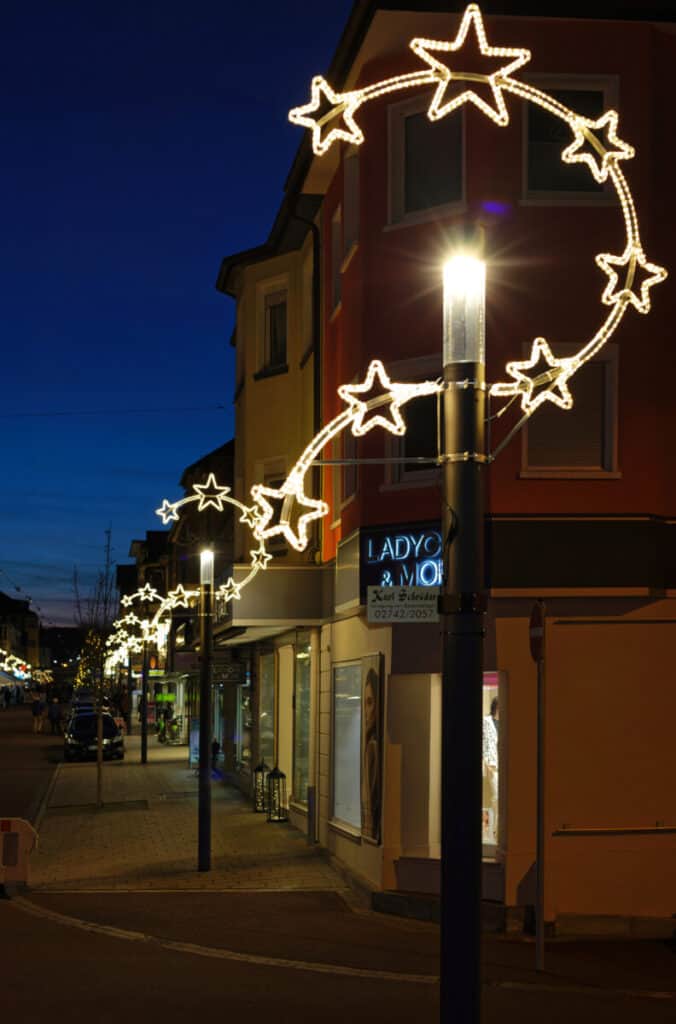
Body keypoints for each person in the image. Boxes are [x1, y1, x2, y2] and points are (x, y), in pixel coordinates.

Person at [361, 668, 381, 842]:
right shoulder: (370, 745)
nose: (367, 712)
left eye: (370, 702)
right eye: (365, 703)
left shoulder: (373, 747)